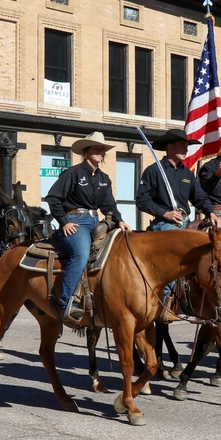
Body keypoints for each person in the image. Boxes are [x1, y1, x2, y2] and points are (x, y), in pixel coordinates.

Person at [45, 131, 132, 322]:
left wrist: (120, 221)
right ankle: (66, 301)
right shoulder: (73, 173)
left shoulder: (104, 178)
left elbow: (109, 205)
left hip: (96, 222)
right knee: (82, 254)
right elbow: (53, 198)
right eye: (96, 148)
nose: (100, 151)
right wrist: (64, 222)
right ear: (86, 152)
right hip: (75, 222)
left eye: (102, 149)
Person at [136, 129, 221, 309]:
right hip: (164, 225)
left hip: (184, 224)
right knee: (172, 264)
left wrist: (211, 212)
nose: (186, 149)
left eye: (187, 146)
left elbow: (200, 197)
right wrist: (164, 213)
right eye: (182, 146)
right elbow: (142, 200)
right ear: (169, 147)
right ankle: (162, 305)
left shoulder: (187, 174)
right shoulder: (153, 171)